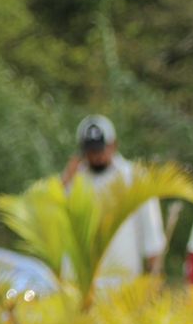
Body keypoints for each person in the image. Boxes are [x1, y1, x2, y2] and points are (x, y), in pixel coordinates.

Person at [60, 114, 167, 277]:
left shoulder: (135, 177)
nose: (96, 156)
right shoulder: (74, 179)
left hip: (123, 285)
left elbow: (152, 234)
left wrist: (154, 276)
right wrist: (66, 182)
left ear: (113, 145)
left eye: (100, 149)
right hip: (81, 286)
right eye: (90, 151)